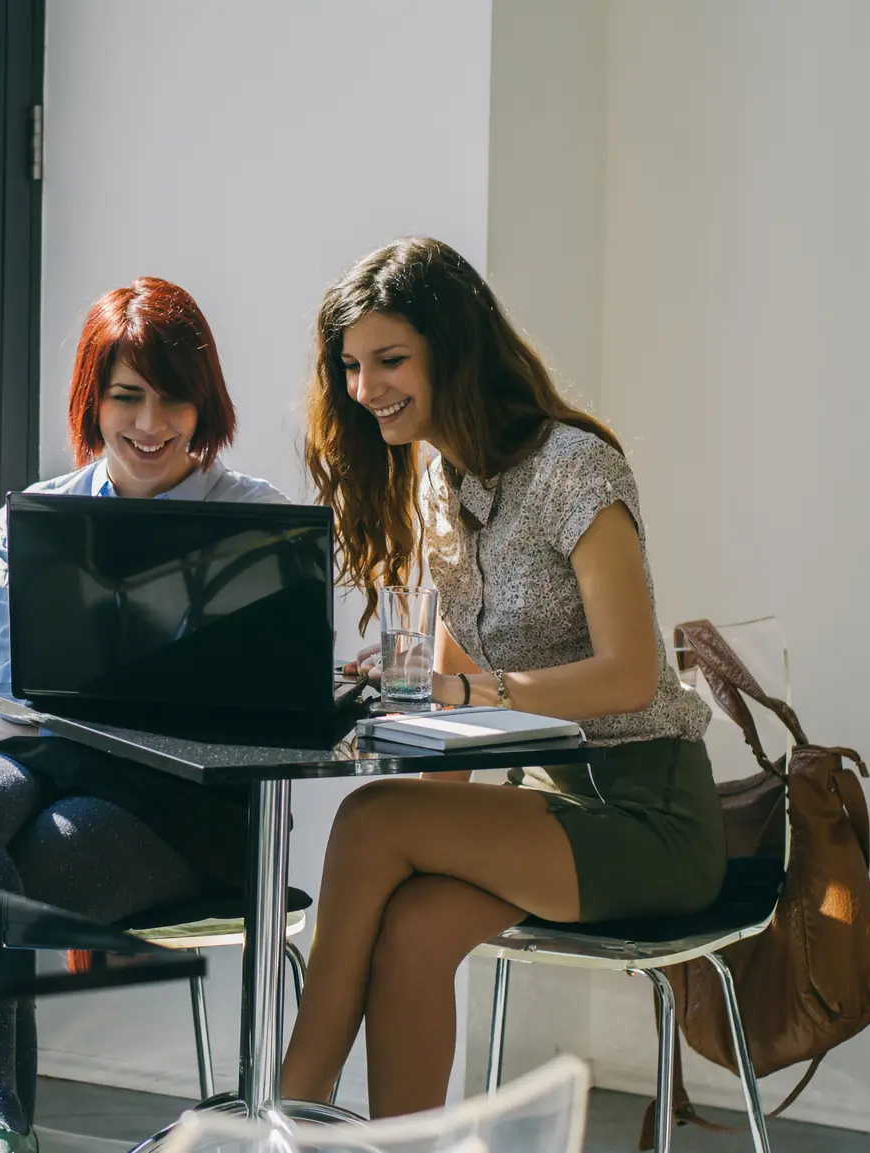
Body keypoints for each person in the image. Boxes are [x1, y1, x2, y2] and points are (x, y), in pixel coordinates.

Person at [279, 237, 722, 1117]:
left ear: (455, 346)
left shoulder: (576, 469)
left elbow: (632, 676)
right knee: (407, 928)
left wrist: (477, 695)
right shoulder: (438, 483)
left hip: (647, 814)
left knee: (369, 821)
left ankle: (284, 1116)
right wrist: (404, 737)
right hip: (545, 803)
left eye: (391, 360)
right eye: (353, 367)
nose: (366, 390)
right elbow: (453, 692)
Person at [0, 276, 289, 1153]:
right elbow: (12, 685)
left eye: (172, 396)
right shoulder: (36, 518)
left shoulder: (257, 520)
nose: (150, 424)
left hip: (178, 805)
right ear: (93, 399)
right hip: (45, 755)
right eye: (126, 396)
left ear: (205, 403)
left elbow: (271, 707)